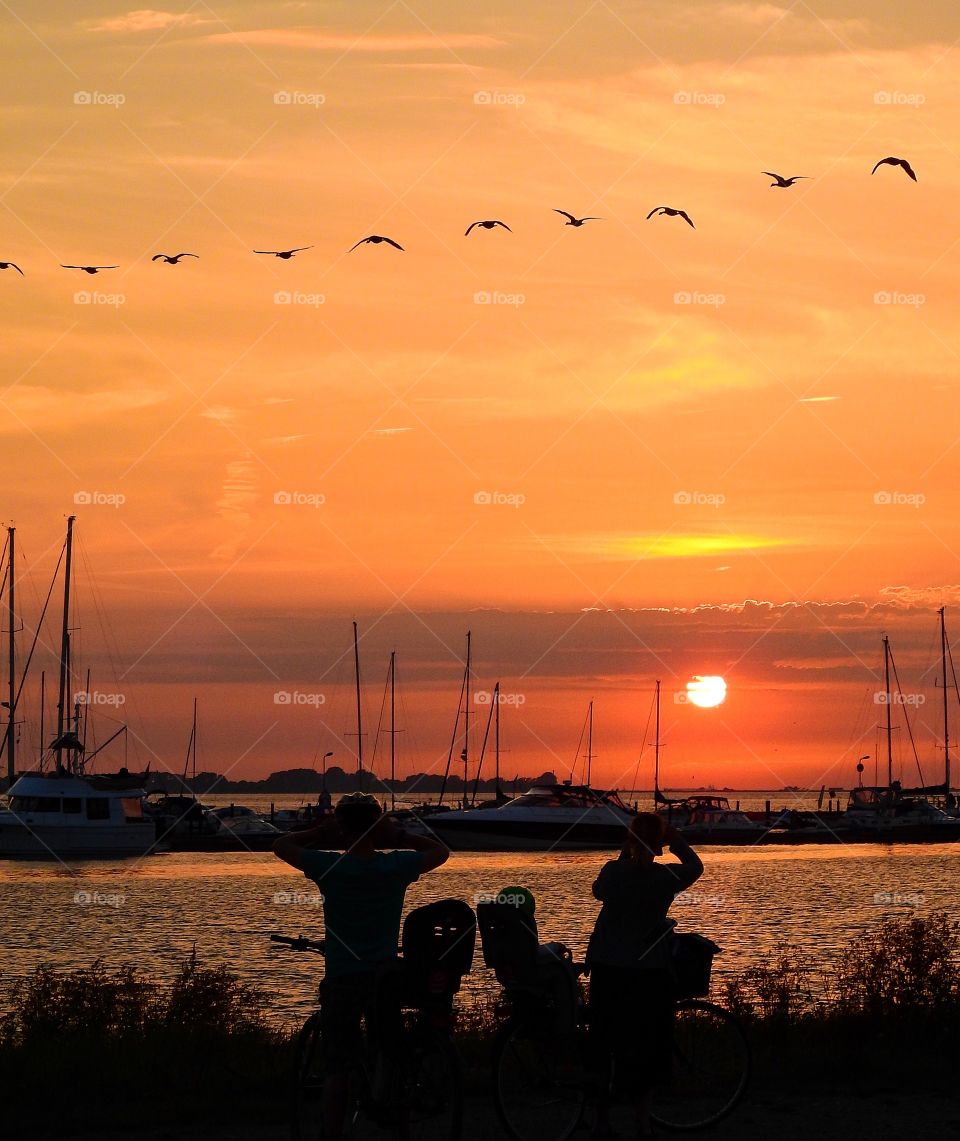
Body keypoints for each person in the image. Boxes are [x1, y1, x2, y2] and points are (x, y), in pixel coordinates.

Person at [273, 794, 450, 1141]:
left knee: (338, 1065)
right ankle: (395, 1112)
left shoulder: (329, 867)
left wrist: (319, 833)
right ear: (377, 827)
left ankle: (333, 1134)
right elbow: (440, 851)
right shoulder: (395, 866)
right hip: (385, 976)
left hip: (343, 976)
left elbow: (281, 845)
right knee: (391, 1048)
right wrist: (397, 835)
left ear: (341, 828)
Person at [586, 813, 704, 1141]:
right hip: (648, 973)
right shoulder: (665, 877)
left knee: (605, 1046)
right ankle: (642, 1124)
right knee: (646, 1049)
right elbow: (696, 867)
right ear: (658, 844)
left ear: (628, 841)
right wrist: (675, 838)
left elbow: (599, 891)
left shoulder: (612, 874)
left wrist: (630, 848)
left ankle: (601, 1121)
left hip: (608, 969)